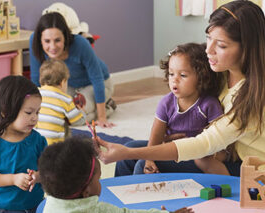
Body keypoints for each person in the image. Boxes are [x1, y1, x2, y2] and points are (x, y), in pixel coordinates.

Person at [97, 0, 265, 185]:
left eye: (220, 45)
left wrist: (127, 152)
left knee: (142, 163)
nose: (208, 50)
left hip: (263, 179)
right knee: (131, 155)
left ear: (246, 49)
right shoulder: (221, 75)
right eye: (208, 39)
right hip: (229, 159)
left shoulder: (261, 94)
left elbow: (205, 144)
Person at [116, 42, 232, 177]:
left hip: (195, 156)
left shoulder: (209, 105)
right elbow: (156, 136)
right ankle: (115, 195)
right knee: (128, 150)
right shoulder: (166, 103)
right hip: (170, 148)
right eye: (171, 74)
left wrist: (212, 160)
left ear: (201, 77)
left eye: (182, 75)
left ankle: (138, 196)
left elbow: (220, 142)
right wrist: (149, 158)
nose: (174, 80)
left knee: (142, 165)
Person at [38, 136, 192, 213]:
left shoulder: (52, 203)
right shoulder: (97, 210)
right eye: (98, 179)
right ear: (86, 192)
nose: (101, 182)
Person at [30, 12, 116, 128]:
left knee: (74, 117)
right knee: (57, 114)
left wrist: (101, 117)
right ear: (40, 40)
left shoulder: (80, 44)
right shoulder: (34, 42)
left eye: (57, 40)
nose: (53, 47)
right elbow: (36, 79)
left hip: (97, 84)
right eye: (47, 41)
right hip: (67, 86)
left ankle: (108, 107)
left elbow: (97, 78)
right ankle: (96, 107)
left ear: (65, 37)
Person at [0, 76, 47, 212]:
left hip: (35, 206)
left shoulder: (38, 140)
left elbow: (49, 171)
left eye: (38, 112)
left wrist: (37, 177)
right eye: (29, 112)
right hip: (2, 209)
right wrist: (13, 179)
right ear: (5, 111)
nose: (34, 117)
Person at [35, 59, 85, 145]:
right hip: (54, 147)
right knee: (66, 127)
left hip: (34, 144)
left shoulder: (34, 93)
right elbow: (79, 122)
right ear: (63, 82)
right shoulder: (66, 99)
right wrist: (82, 111)